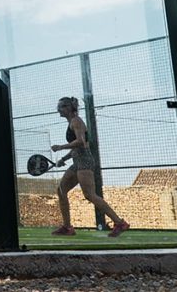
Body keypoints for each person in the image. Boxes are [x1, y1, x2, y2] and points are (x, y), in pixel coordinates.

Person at [50, 96, 129, 237]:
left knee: (90, 195)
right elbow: (78, 147)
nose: (58, 109)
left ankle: (120, 223)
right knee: (61, 190)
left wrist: (61, 147)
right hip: (77, 161)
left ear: (69, 108)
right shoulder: (72, 122)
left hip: (85, 162)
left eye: (61, 107)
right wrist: (64, 158)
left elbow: (80, 142)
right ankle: (67, 227)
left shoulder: (76, 121)